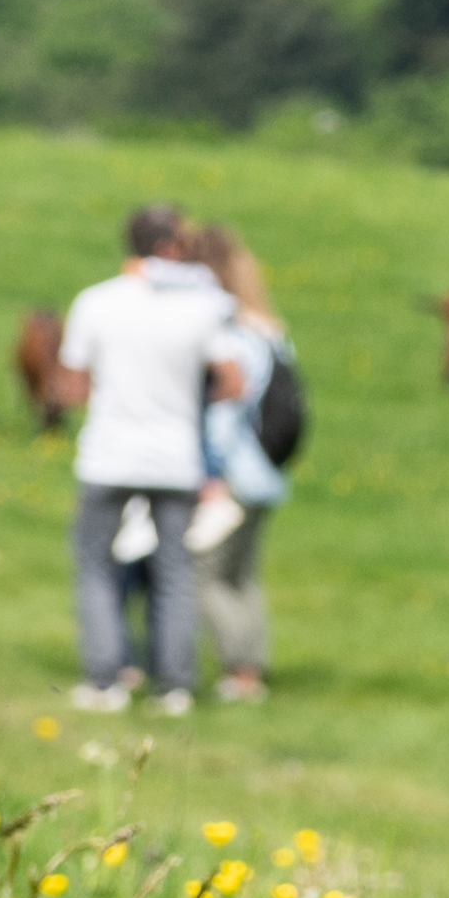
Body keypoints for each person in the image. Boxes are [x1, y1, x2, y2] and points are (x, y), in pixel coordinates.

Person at [59, 203, 247, 711]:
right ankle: (176, 686)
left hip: (108, 455)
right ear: (168, 246)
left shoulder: (95, 302)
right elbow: (233, 381)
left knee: (96, 566)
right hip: (174, 457)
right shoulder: (199, 308)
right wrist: (187, 403)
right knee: (174, 573)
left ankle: (104, 681)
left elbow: (73, 386)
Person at [176, 219, 294, 705]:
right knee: (243, 575)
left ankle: (238, 671)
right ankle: (254, 669)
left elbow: (224, 415)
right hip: (268, 473)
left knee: (206, 574)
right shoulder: (270, 332)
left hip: (234, 475)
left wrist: (212, 475)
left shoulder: (228, 337)